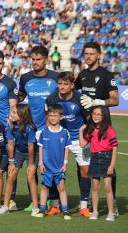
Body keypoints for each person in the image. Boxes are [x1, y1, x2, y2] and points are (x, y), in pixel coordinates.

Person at [75, 41, 119, 215]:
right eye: (85, 53)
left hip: (102, 130)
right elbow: (72, 89)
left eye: (91, 54)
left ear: (99, 55)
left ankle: (112, 204)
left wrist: (98, 102)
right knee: (84, 163)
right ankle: (85, 202)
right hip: (86, 128)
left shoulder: (108, 75)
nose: (88, 56)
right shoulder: (82, 75)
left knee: (109, 168)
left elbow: (115, 100)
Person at [18, 45, 59, 213]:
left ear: (46, 60)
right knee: (32, 166)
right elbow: (19, 97)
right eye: (33, 59)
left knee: (51, 167)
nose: (34, 62)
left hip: (50, 129)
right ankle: (34, 201)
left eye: (38, 59)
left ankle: (53, 202)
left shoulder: (56, 77)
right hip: (31, 130)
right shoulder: (25, 77)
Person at [46, 71, 90, 218]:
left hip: (79, 139)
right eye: (60, 83)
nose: (62, 86)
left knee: (85, 170)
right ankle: (55, 205)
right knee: (53, 170)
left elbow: (89, 120)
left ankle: (84, 205)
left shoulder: (81, 98)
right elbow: (49, 118)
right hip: (60, 138)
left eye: (66, 84)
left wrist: (85, 135)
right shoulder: (51, 98)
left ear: (72, 85)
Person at [0, 104, 40, 216]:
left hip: (32, 153)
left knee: (30, 176)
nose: (10, 115)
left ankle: (35, 207)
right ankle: (5, 206)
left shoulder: (30, 128)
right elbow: (11, 144)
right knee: (11, 176)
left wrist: (31, 164)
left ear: (22, 116)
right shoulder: (10, 126)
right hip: (18, 152)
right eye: (11, 112)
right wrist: (11, 162)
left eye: (13, 113)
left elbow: (31, 147)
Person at [79, 106, 118, 222]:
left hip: (106, 158)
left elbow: (114, 148)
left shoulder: (109, 130)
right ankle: (95, 211)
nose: (95, 116)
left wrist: (111, 165)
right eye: (94, 114)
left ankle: (111, 212)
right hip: (94, 159)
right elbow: (82, 145)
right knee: (95, 187)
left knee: (107, 187)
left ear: (104, 116)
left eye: (99, 114)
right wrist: (81, 131)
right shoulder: (90, 130)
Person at [36, 105, 72, 220]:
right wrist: (41, 163)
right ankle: (42, 209)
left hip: (59, 167)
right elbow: (41, 148)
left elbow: (67, 148)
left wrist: (65, 163)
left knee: (61, 188)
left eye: (55, 115)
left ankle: (65, 211)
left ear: (61, 117)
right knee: (44, 188)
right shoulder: (44, 132)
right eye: (50, 115)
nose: (53, 118)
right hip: (46, 167)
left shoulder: (65, 132)